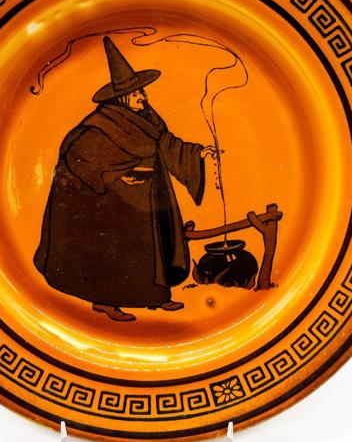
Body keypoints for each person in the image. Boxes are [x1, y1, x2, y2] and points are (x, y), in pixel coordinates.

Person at [34, 36, 217, 321]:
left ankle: (156, 297)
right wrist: (116, 179)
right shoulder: (101, 125)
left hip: (149, 196)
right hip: (113, 206)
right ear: (121, 98)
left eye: (141, 91)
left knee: (153, 250)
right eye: (136, 93)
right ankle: (107, 303)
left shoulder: (148, 118)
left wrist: (197, 153)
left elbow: (166, 143)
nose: (142, 97)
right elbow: (78, 158)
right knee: (116, 256)